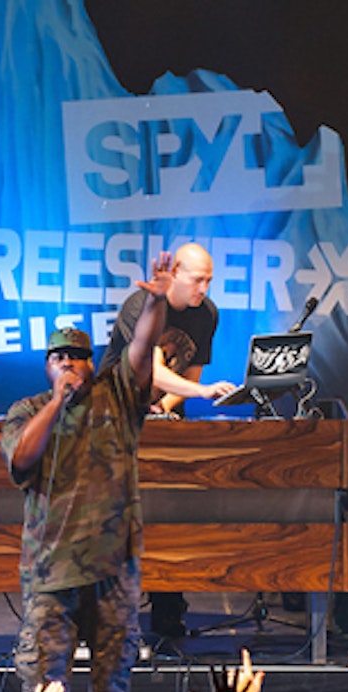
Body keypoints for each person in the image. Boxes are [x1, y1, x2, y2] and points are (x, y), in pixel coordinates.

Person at [0, 254, 170, 692]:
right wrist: (57, 401)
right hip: (50, 577)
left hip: (113, 574)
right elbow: (21, 459)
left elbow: (141, 347)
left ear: (93, 362)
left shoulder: (118, 396)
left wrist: (157, 301)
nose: (71, 364)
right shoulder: (27, 410)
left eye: (79, 356)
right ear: (47, 365)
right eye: (60, 357)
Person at [100, 242, 235, 638]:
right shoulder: (141, 305)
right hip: (117, 418)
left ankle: (169, 613)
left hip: (164, 420)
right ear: (174, 273)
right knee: (116, 522)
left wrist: (166, 406)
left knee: (170, 516)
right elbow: (152, 370)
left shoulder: (207, 313)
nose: (204, 289)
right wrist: (202, 392)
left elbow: (189, 372)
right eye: (197, 280)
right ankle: (107, 618)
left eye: (209, 280)